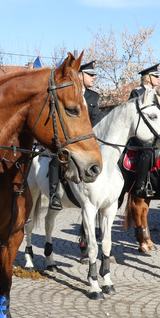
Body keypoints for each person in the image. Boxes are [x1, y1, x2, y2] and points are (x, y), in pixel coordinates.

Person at [49, 60, 104, 210]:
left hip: (86, 137)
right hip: (69, 136)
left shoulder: (94, 97)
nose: (93, 77)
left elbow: (96, 119)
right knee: (57, 156)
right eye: (90, 74)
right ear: (80, 75)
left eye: (93, 75)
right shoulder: (70, 93)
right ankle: (54, 194)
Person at [126, 64, 160, 197]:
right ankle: (140, 186)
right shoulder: (137, 92)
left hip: (154, 133)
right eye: (156, 76)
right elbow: (134, 115)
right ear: (148, 78)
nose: (158, 78)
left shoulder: (156, 94)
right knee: (147, 150)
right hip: (138, 133)